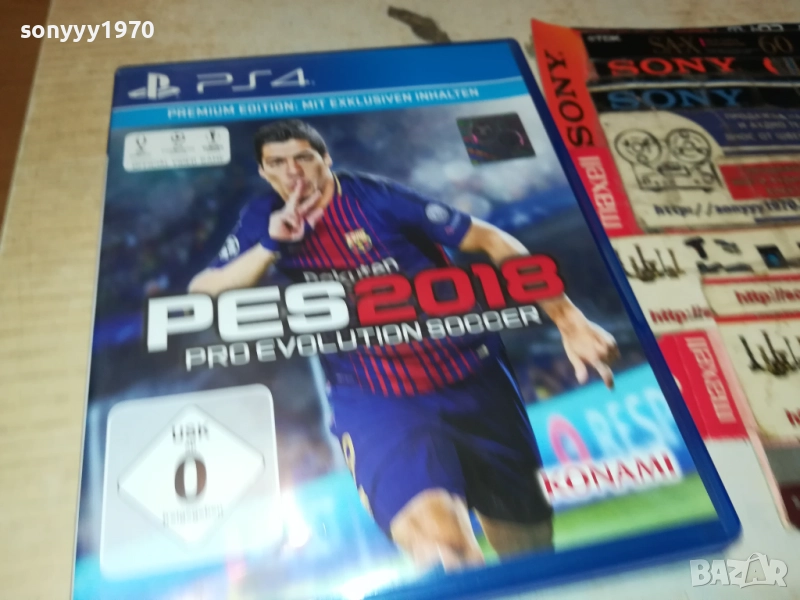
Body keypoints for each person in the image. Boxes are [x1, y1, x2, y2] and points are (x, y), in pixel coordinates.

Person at [189, 119, 619, 571]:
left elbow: (491, 238)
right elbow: (204, 290)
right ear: (264, 172)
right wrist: (271, 245)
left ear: (326, 159)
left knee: (528, 555)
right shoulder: (263, 217)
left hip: (475, 380)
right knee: (442, 545)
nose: (291, 171)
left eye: (303, 157)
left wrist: (569, 319)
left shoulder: (375, 199)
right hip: (377, 396)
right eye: (277, 163)